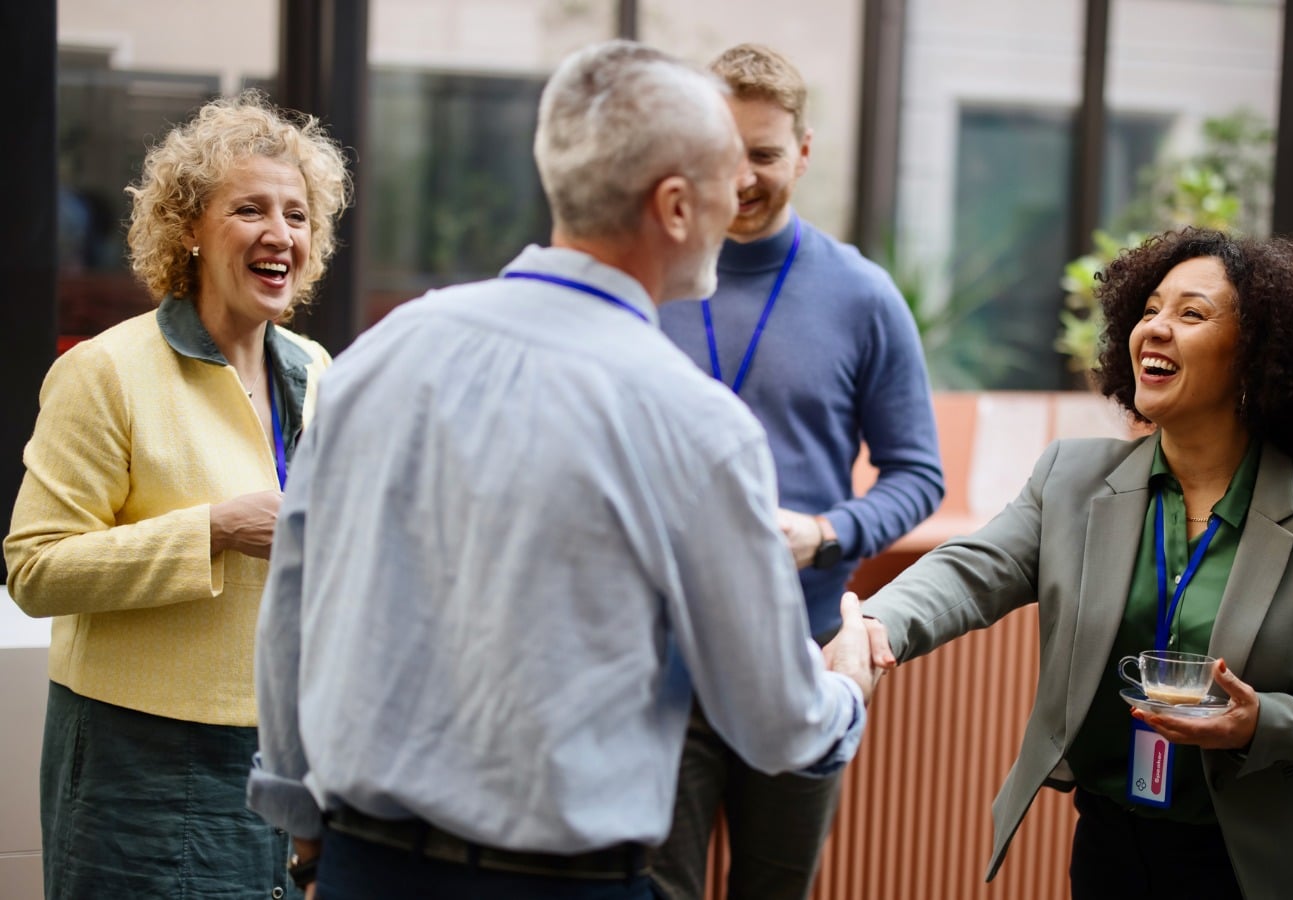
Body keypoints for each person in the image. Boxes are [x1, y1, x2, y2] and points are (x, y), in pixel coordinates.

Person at [246, 40, 882, 900]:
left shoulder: (383, 351)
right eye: (727, 176)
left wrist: (309, 846)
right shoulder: (695, 425)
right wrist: (844, 685)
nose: (742, 195)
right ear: (674, 205)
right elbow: (776, 727)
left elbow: (292, 606)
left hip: (359, 870)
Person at [861, 228, 1293, 900]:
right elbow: (969, 569)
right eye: (1150, 309)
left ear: (1258, 356)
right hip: (1111, 845)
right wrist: (877, 624)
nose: (1155, 328)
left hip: (1256, 866)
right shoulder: (1070, 478)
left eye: (1190, 314)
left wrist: (1262, 723)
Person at [5, 91, 349, 899]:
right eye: (250, 209)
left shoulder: (319, 371)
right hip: (140, 763)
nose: (280, 234)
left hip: (284, 756)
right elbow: (35, 568)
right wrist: (214, 530)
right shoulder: (106, 372)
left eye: (297, 215)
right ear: (189, 227)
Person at [651, 42, 944, 900]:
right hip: (661, 652)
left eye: (766, 155)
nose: (742, 176)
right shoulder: (646, 277)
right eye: (722, 150)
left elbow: (917, 476)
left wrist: (826, 534)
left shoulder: (862, 295)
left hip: (805, 658)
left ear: (804, 154)